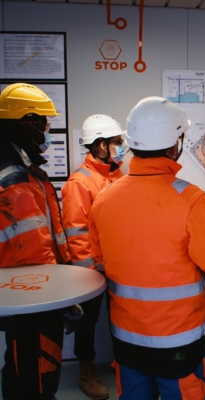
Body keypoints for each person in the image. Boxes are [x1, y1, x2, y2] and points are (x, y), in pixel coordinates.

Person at [88, 96, 205, 400]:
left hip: (127, 336)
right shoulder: (190, 199)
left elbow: (100, 260)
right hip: (179, 339)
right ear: (175, 144)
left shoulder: (104, 198)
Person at [0, 83, 71, 399]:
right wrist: (61, 297)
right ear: (26, 123)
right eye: (44, 123)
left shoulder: (21, 167)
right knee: (36, 372)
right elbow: (32, 253)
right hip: (33, 298)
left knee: (18, 364)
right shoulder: (14, 179)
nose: (47, 130)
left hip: (25, 292)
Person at [62, 114, 126, 400]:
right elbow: (76, 233)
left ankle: (124, 364)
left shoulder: (119, 176)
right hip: (93, 271)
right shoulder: (80, 182)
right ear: (101, 145)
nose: (122, 146)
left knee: (125, 318)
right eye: (117, 142)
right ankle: (86, 372)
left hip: (121, 266)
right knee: (87, 325)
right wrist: (90, 273)